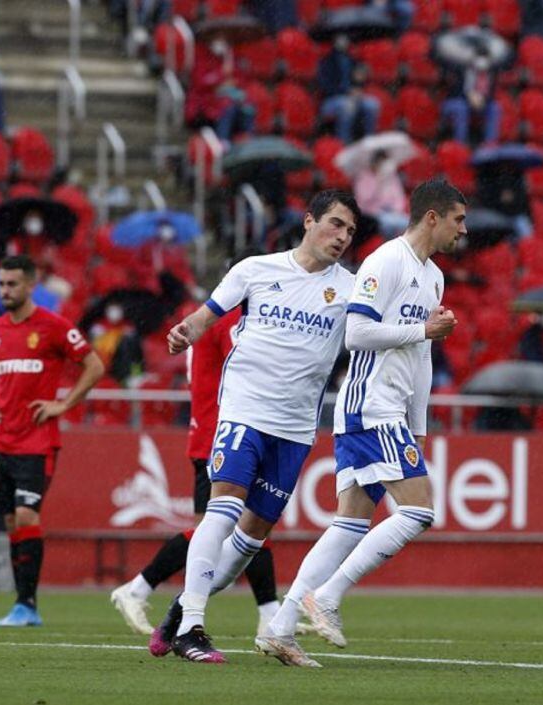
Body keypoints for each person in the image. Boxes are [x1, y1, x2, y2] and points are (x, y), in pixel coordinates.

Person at [256, 179, 466, 668]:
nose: (463, 230)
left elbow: (422, 355)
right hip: (371, 405)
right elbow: (356, 333)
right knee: (418, 512)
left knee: (349, 525)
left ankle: (281, 629)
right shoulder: (385, 261)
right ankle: (327, 596)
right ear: (432, 217)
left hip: (388, 410)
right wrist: (422, 328)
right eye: (458, 220)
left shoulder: (433, 277)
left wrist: (418, 426)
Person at [148, 190, 358, 664]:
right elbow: (204, 317)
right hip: (244, 412)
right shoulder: (255, 270)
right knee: (222, 510)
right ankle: (193, 628)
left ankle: (179, 611)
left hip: (296, 429)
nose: (342, 237)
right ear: (309, 221)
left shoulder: (350, 289)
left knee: (250, 540)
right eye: (335, 224)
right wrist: (185, 333)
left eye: (350, 231)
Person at [109, 250, 313, 638]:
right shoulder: (228, 320)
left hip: (228, 429)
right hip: (222, 433)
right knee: (216, 529)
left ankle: (268, 612)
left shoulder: (211, 316)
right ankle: (138, 588)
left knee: (249, 525)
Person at [0, 255, 105, 626]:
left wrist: (63, 404)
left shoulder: (54, 326)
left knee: (26, 514)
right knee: (11, 521)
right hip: (2, 442)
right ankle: (22, 605)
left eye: (12, 284)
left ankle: (27, 605)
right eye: (1, 284)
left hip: (37, 442)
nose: (4, 291)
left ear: (31, 285)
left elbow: (94, 365)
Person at [317, 34, 380, 143]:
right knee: (347, 106)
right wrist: (346, 91)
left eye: (345, 39)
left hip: (352, 98)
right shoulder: (326, 62)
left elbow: (358, 83)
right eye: (340, 39)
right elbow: (326, 87)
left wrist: (360, 81)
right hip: (331, 100)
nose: (343, 42)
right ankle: (344, 141)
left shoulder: (353, 61)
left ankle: (369, 140)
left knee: (372, 105)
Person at [441, 52, 501, 146]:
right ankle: (460, 144)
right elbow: (455, 91)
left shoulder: (490, 76)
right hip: (455, 102)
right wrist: (469, 96)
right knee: (461, 108)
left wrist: (482, 100)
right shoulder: (460, 70)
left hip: (478, 105)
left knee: (494, 107)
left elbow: (489, 96)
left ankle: (490, 144)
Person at [354, 149, 410, 238]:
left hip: (391, 212)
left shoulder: (391, 176)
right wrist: (378, 182)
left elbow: (399, 196)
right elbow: (364, 200)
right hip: (371, 213)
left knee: (408, 223)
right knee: (388, 225)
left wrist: (396, 210)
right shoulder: (363, 176)